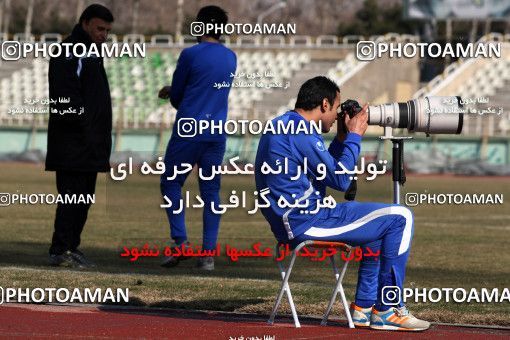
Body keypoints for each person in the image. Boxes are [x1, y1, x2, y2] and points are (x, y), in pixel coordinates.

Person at [254, 76, 430, 331]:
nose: (337, 115)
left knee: (378, 231)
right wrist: (355, 136)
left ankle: (364, 307)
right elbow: (340, 179)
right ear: (324, 104)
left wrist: (340, 139)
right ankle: (389, 309)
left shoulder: (283, 126)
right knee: (401, 217)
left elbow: (327, 173)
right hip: (308, 221)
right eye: (336, 109)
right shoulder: (300, 131)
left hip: (296, 220)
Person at [158, 5, 237, 270]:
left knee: (170, 183)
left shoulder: (190, 54)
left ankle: (181, 243)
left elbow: (180, 97)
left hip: (189, 129)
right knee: (211, 192)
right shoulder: (230, 58)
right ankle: (208, 256)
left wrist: (171, 92)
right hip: (216, 132)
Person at [46, 4, 114, 268]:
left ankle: (71, 247)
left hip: (90, 144)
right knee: (72, 198)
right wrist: (85, 130)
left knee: (83, 199)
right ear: (85, 23)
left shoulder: (92, 52)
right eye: (99, 28)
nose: (104, 35)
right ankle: (60, 249)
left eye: (108, 30)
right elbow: (66, 98)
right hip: (74, 143)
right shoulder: (69, 51)